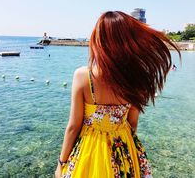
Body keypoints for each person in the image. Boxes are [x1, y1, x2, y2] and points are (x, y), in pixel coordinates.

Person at [55, 11, 180, 178]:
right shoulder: (136, 79)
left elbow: (73, 127)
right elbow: (132, 123)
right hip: (123, 148)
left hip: (90, 150)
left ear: (99, 40)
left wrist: (61, 163)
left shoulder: (83, 76)